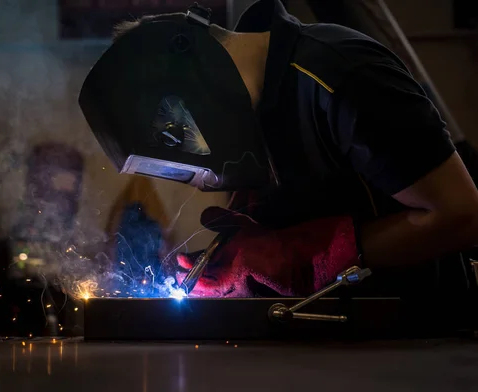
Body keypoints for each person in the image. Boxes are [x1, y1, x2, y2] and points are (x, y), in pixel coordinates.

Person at [81, 0, 478, 298]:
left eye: (179, 137)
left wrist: (300, 255)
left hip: (419, 341)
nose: (200, 182)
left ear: (192, 78)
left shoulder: (342, 74)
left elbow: (462, 216)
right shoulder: (257, 113)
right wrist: (246, 256)